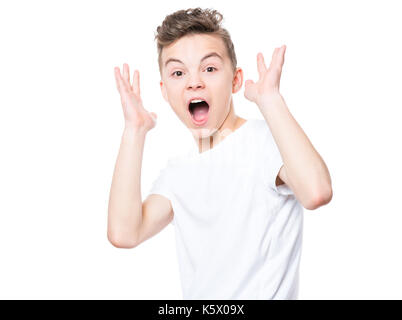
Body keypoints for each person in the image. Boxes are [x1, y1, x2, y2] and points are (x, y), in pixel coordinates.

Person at [107, 7, 333, 299]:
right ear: (164, 91)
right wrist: (134, 131)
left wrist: (270, 101)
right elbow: (124, 234)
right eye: (178, 72)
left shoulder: (265, 141)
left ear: (236, 80)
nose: (194, 82)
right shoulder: (177, 173)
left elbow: (317, 192)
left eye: (210, 68)